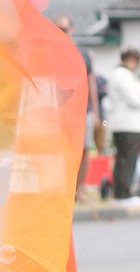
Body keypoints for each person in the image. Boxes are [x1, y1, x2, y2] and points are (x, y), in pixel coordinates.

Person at [54, 15, 101, 203]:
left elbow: (92, 83)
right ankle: (65, 190)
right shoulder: (51, 53)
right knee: (61, 150)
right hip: (60, 110)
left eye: (64, 29)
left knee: (84, 149)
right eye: (58, 28)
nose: (61, 32)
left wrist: (97, 113)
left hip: (83, 110)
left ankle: (79, 190)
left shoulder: (83, 53)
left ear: (72, 30)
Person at [106, 47, 140, 203]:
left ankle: (121, 192)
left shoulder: (119, 74)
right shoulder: (123, 75)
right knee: (127, 159)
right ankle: (122, 194)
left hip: (123, 124)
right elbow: (134, 99)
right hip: (127, 124)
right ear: (132, 60)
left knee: (124, 159)